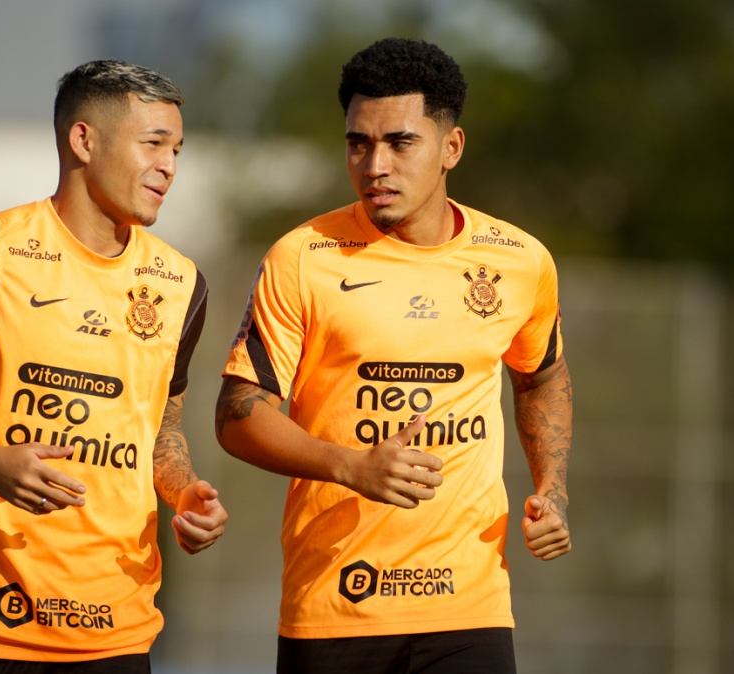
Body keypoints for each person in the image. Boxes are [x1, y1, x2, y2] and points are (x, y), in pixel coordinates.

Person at [0, 60, 227, 673]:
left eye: (178, 149)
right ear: (84, 140)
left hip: (117, 627)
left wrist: (183, 492)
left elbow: (159, 427)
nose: (170, 167)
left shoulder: (182, 285)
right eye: (153, 144)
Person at [215, 38, 571, 673]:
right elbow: (238, 414)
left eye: (400, 142)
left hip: (471, 610)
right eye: (359, 143)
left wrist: (554, 489)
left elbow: (541, 377)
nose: (375, 163)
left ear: (450, 149)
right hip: (333, 610)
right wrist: (350, 466)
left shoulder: (519, 260)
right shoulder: (301, 257)